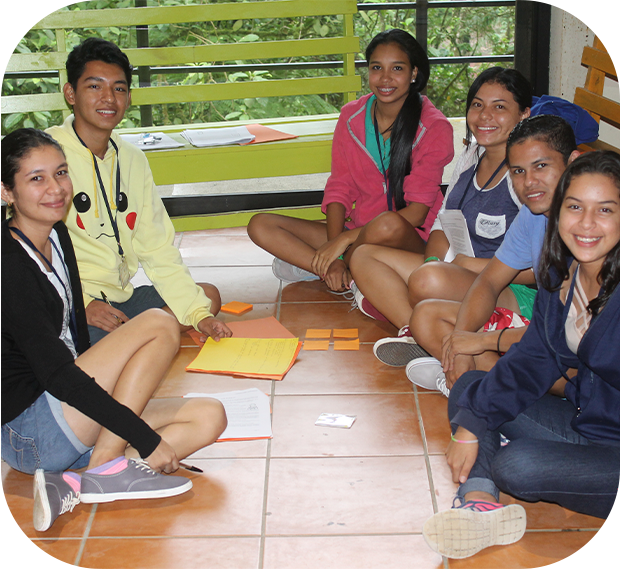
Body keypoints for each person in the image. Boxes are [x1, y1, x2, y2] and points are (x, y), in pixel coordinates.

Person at [1, 129, 228, 532]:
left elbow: (79, 345)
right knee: (158, 322)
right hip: (31, 430)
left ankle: (76, 483)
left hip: (67, 414)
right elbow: (58, 374)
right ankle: (108, 465)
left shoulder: (57, 234)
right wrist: (143, 434)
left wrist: (126, 408)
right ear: (6, 192)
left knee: (210, 416)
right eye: (36, 179)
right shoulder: (9, 263)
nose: (56, 189)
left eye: (61, 172)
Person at [423, 150, 620, 559]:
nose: (586, 224)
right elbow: (532, 362)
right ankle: (478, 503)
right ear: (558, 213)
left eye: (605, 210)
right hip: (591, 426)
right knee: (475, 389)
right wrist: (471, 428)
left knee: (518, 466)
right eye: (575, 207)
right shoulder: (562, 279)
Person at [45, 38, 231, 344]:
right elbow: (27, 253)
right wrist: (80, 305)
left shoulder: (132, 158)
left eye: (118, 89)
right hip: (67, 301)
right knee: (74, 340)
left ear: (128, 98)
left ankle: (132, 337)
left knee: (205, 299)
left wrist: (199, 316)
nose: (108, 98)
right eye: (95, 86)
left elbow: (156, 246)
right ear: (70, 93)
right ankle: (135, 336)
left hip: (120, 300)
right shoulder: (45, 155)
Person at [247, 29, 454, 292]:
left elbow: (416, 214)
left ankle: (329, 268)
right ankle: (338, 271)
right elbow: (339, 188)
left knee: (387, 223)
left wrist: (342, 242)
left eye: (397, 68)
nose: (385, 78)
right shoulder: (351, 116)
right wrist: (337, 253)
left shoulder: (434, 127)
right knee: (261, 225)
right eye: (376, 67)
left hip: (410, 239)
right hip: (357, 234)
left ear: (414, 73)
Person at [351, 67, 532, 354]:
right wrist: (436, 261)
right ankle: (417, 332)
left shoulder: (525, 175)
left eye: (499, 107)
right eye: (477, 105)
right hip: (460, 271)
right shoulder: (472, 156)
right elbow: (441, 223)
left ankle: (434, 333)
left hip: (512, 291)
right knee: (363, 256)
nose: (485, 116)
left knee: (426, 279)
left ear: (524, 114)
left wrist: (464, 267)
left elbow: (544, 271)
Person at [403, 115, 580, 394]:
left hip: (575, 355)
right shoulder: (533, 214)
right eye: (518, 171)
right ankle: (476, 377)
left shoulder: (589, 230)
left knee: (561, 363)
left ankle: (486, 383)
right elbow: (489, 281)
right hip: (540, 328)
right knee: (426, 316)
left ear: (572, 162)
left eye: (541, 166)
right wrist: (461, 343)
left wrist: (481, 342)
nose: (529, 182)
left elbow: (566, 336)